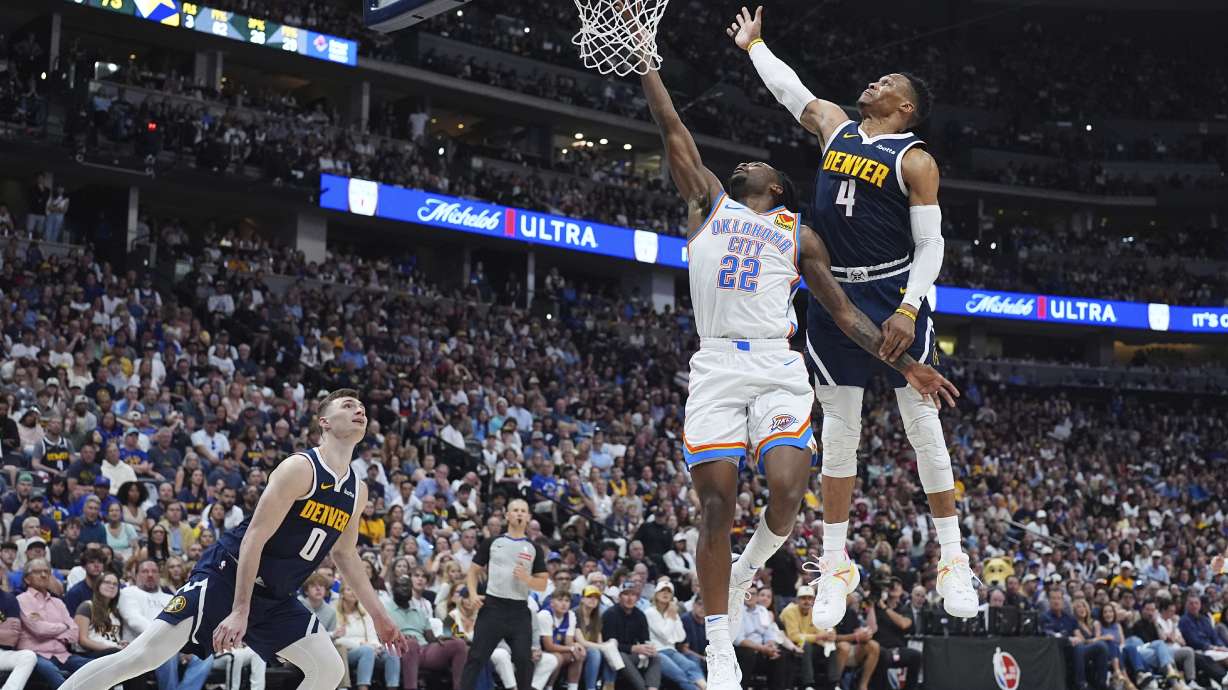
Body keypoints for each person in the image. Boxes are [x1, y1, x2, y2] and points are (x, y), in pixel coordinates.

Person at [638, 46, 957, 690]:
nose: (746, 163)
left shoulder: (798, 234)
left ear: (778, 187)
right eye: (742, 165)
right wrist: (647, 64)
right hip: (717, 362)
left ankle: (751, 564)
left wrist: (909, 369)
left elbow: (842, 313)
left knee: (788, 487)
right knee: (716, 504)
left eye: (758, 164)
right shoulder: (710, 205)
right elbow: (674, 133)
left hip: (780, 363)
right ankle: (720, 636)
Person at [728, 6, 978, 629]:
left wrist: (910, 306)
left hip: (893, 294)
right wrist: (755, 46)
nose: (875, 82)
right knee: (840, 433)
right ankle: (835, 561)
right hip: (834, 294)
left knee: (923, 426)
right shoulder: (836, 126)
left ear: (906, 108)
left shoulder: (915, 160)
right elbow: (794, 94)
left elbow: (933, 247)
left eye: (887, 81)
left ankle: (952, 556)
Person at [57, 389, 408, 690]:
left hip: (275, 597)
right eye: (347, 405)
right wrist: (240, 610)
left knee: (328, 668)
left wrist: (379, 615)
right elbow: (253, 537)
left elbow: (346, 555)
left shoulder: (357, 491)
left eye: (360, 407)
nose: (358, 409)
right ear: (324, 422)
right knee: (143, 656)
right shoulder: (299, 469)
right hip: (228, 576)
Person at [458, 497, 548, 690]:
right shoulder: (493, 542)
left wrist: (527, 579)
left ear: (528, 517)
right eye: (515, 510)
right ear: (507, 515)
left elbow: (542, 584)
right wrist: (473, 594)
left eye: (523, 511)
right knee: (476, 657)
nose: (519, 514)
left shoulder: (535, 548)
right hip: (493, 608)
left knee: (524, 660)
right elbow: (473, 572)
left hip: (519, 610)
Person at [17, 558, 91, 687]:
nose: (44, 575)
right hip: (36, 655)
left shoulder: (58, 602)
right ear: (27, 579)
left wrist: (56, 631)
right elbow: (39, 630)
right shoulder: (21, 600)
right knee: (54, 674)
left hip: (63, 655)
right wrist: (64, 627)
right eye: (38, 572)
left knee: (96, 667)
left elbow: (74, 633)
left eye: (47, 571)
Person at [387, 573, 467, 690]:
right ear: (393, 590)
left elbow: (430, 638)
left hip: (424, 649)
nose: (405, 590)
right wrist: (400, 637)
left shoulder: (419, 611)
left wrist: (439, 638)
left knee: (458, 644)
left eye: (408, 587)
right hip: (400, 649)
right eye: (401, 586)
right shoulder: (385, 610)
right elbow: (382, 635)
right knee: (411, 643)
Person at [336, 582, 401, 690]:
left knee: (391, 651)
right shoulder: (335, 612)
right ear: (342, 594)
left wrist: (376, 646)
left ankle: (393, 686)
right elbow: (337, 639)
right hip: (347, 652)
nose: (353, 593)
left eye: (354, 590)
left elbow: (372, 635)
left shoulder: (364, 613)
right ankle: (363, 687)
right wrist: (360, 645)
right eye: (349, 590)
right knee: (366, 650)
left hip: (369, 648)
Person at [644, 578, 705, 690]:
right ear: (656, 594)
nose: (665, 593)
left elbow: (681, 637)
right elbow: (665, 634)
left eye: (668, 591)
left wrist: (673, 616)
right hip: (657, 652)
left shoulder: (672, 613)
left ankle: (706, 687)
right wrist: (672, 617)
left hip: (671, 650)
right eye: (663, 590)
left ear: (672, 596)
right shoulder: (649, 612)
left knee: (692, 666)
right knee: (679, 674)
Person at [602, 581, 661, 690]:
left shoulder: (640, 615)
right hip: (614, 655)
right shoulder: (610, 615)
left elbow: (645, 640)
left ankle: (652, 688)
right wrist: (633, 648)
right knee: (621, 656)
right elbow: (608, 645)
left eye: (633, 595)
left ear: (637, 598)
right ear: (619, 597)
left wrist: (649, 649)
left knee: (656, 657)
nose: (630, 598)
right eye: (626, 594)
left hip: (633, 655)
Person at [870, 579, 923, 690]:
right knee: (882, 655)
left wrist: (885, 608)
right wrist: (872, 604)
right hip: (879, 648)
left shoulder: (904, 609)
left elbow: (904, 624)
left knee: (916, 656)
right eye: (891, 584)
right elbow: (871, 628)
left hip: (897, 649)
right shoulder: (876, 607)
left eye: (898, 584)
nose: (894, 586)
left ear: (902, 590)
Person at [575, 585, 624, 690]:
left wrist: (609, 644)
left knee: (610, 649)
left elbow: (599, 641)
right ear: (582, 599)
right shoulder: (575, 614)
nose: (593, 600)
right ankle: (591, 688)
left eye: (596, 598)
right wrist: (602, 647)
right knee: (595, 652)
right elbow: (581, 641)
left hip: (591, 648)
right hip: (578, 649)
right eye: (589, 597)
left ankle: (609, 686)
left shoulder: (596, 617)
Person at [538, 588, 585, 690]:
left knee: (579, 654)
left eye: (567, 601)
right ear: (551, 603)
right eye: (560, 600)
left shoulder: (571, 615)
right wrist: (571, 648)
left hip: (554, 650)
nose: (564, 604)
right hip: (537, 651)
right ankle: (549, 687)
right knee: (557, 657)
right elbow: (548, 646)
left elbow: (568, 641)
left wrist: (576, 646)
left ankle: (573, 687)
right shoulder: (545, 615)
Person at [780, 585, 826, 690]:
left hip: (805, 644)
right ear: (797, 600)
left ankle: (834, 684)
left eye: (810, 598)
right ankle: (808, 684)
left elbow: (820, 631)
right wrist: (818, 637)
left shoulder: (814, 611)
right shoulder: (789, 611)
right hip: (787, 645)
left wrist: (826, 637)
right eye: (803, 598)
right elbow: (793, 636)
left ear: (814, 600)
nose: (807, 601)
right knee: (806, 645)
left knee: (830, 647)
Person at [831, 592, 879, 690]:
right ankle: (835, 684)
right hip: (831, 649)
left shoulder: (850, 612)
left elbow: (857, 631)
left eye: (848, 594)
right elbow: (831, 637)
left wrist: (865, 634)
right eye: (847, 594)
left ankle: (863, 686)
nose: (851, 597)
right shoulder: (829, 613)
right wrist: (855, 637)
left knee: (874, 645)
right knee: (844, 646)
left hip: (851, 650)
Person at [73, 571, 125, 655]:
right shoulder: (87, 607)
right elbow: (82, 640)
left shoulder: (116, 613)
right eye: (107, 582)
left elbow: (113, 639)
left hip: (114, 652)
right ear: (98, 586)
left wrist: (120, 643)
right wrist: (111, 648)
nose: (111, 586)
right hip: (91, 654)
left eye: (115, 584)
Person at [0, 586, 38, 690]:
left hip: (1, 653)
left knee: (28, 656)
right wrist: (3, 627)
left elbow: (11, 638)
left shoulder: (8, 599)